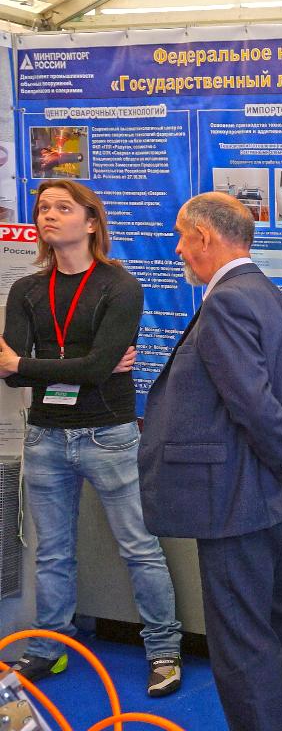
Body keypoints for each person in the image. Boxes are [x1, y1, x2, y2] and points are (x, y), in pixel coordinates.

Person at [139, 192, 282, 731]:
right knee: (277, 620)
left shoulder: (227, 301)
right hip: (271, 500)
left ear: (204, 236)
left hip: (235, 500)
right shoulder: (276, 297)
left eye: (182, 237)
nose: (179, 250)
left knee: (242, 641)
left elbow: (252, 402)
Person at [0, 179, 183, 696]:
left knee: (139, 548)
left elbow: (95, 367)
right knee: (53, 553)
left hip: (109, 434)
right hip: (45, 436)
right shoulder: (26, 290)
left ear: (91, 221)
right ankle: (49, 648)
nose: (49, 215)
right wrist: (74, 368)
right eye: (43, 208)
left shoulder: (119, 286)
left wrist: (34, 365)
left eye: (63, 207)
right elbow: (10, 374)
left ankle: (164, 650)